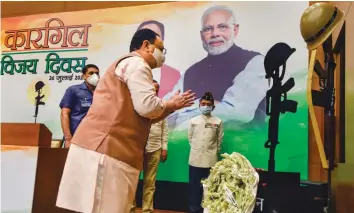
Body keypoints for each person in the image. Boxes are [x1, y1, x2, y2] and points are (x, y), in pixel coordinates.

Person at [56, 28, 195, 213]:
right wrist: (170, 104)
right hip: (105, 150)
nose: (163, 55)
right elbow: (147, 107)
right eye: (161, 49)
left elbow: (143, 116)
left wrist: (172, 107)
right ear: (146, 45)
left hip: (106, 149)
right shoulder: (137, 64)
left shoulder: (129, 65)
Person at [165, 5, 269, 130]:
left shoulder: (255, 62)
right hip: (191, 147)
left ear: (235, 30)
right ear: (201, 35)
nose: (215, 34)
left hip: (243, 146)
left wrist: (185, 111)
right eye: (208, 29)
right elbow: (165, 112)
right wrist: (206, 105)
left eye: (222, 27)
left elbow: (236, 114)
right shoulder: (190, 73)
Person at [130, 80, 168, 213]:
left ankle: (147, 210)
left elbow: (165, 129)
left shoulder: (161, 105)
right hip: (137, 149)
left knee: (150, 182)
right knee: (133, 180)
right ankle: (131, 209)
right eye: (153, 88)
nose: (155, 90)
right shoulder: (136, 103)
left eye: (157, 88)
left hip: (155, 148)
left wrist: (164, 147)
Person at [187, 92, 224, 213]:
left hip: (210, 160)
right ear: (199, 105)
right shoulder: (193, 121)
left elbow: (219, 140)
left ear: (213, 107)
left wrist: (212, 152)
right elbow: (190, 138)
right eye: (203, 104)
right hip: (195, 159)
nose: (205, 106)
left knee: (209, 187)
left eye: (208, 104)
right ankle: (194, 209)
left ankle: (208, 210)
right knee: (194, 187)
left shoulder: (217, 122)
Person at [59, 64, 100, 148]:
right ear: (84, 76)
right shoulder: (74, 90)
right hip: (75, 139)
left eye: (97, 73)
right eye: (91, 73)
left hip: (94, 140)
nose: (94, 75)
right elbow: (64, 114)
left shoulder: (101, 93)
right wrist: (68, 139)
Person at [137, 20, 181, 98]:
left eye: (155, 36)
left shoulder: (175, 75)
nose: (148, 42)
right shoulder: (123, 73)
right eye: (144, 37)